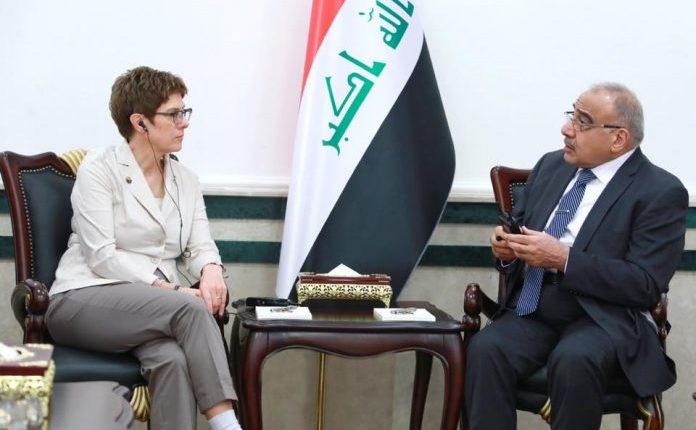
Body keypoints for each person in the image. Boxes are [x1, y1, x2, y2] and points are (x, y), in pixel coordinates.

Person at [465, 83, 687, 430]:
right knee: (486, 349)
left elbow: (645, 284)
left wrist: (564, 259)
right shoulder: (551, 166)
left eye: (583, 122)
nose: (567, 129)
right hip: (535, 311)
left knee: (574, 358)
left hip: (603, 319)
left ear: (618, 139)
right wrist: (506, 249)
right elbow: (517, 228)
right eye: (572, 116)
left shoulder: (659, 191)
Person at [46, 66, 243, 430]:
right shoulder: (99, 169)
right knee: (190, 308)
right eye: (174, 114)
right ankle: (227, 425)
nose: (184, 122)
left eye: (185, 111)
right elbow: (101, 256)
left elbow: (200, 244)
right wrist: (169, 290)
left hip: (150, 311)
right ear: (140, 122)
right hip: (82, 299)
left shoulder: (186, 180)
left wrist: (211, 269)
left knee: (174, 360)